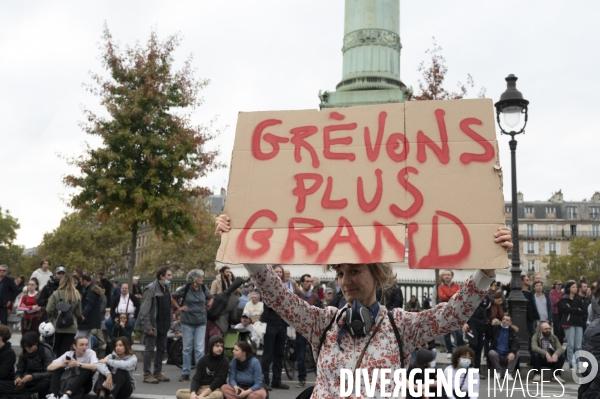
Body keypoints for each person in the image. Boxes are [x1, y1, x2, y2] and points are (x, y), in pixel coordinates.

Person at [215, 214, 513, 398]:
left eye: (355, 271)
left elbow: (453, 314)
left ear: (377, 273)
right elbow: (278, 296)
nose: (345, 281)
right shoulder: (323, 322)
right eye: (340, 273)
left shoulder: (400, 325)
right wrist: (241, 245)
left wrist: (487, 269)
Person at [172, 269, 214, 382]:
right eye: (201, 277)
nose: (203, 278)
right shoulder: (186, 288)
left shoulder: (204, 288)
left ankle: (200, 374)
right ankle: (185, 373)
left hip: (201, 322)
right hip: (187, 322)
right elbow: (173, 296)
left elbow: (211, 297)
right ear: (194, 279)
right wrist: (179, 308)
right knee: (187, 348)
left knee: (199, 349)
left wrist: (208, 305)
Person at [134, 265, 173, 384]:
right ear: (161, 276)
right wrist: (147, 326)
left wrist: (170, 321)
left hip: (163, 324)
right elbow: (144, 310)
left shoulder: (166, 288)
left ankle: (157, 372)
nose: (171, 278)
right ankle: (147, 374)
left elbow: (168, 306)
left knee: (161, 349)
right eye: (169, 275)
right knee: (149, 349)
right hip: (153, 325)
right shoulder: (151, 288)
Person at [257, 264, 289, 390]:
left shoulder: (286, 287)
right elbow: (270, 303)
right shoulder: (267, 286)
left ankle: (277, 380)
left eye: (280, 272)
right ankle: (264, 380)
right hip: (270, 323)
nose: (279, 273)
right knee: (268, 353)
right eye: (276, 271)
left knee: (280, 353)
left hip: (282, 324)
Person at [0, 331, 53, 399]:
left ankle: (25, 395)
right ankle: (29, 395)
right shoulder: (24, 354)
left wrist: (33, 376)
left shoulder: (45, 351)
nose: (27, 349)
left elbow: (50, 372)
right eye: (25, 347)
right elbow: (19, 370)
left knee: (46, 382)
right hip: (26, 382)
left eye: (29, 346)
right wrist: (17, 378)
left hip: (39, 380)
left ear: (35, 343)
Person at [295, 274, 323, 388]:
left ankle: (319, 380)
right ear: (301, 282)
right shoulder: (297, 295)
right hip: (301, 329)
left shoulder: (315, 297)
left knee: (316, 356)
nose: (309, 283)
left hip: (313, 330)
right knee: (300, 355)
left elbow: (321, 311)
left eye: (310, 281)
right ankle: (302, 378)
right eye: (306, 281)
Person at [46, 274, 83, 356]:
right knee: (65, 352)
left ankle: (54, 367)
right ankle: (63, 368)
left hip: (57, 326)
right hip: (71, 326)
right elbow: (79, 313)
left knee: (54, 350)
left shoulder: (56, 294)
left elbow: (49, 309)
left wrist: (57, 311)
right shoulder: (77, 295)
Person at [559, 281, 587, 370]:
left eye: (576, 287)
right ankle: (571, 363)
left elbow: (583, 311)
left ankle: (578, 363)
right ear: (568, 288)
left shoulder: (578, 299)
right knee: (570, 345)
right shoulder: (565, 299)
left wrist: (572, 309)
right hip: (569, 323)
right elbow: (565, 309)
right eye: (573, 287)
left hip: (578, 324)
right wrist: (576, 310)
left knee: (578, 345)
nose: (575, 289)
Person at [462, 294, 491, 379]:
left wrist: (487, 319)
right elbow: (463, 310)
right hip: (472, 323)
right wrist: (465, 322)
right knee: (473, 345)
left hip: (482, 324)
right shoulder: (470, 295)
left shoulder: (487, 297)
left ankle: (476, 371)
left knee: (479, 347)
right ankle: (467, 369)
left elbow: (489, 309)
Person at [437, 270, 464, 357]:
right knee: (446, 333)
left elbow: (458, 296)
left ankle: (460, 351)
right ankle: (449, 351)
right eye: (445, 275)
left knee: (459, 333)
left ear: (452, 276)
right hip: (445, 312)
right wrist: (452, 295)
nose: (446, 276)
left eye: (448, 275)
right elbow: (442, 297)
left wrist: (447, 295)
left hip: (456, 312)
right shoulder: (440, 287)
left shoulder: (457, 285)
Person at [487, 315, 520, 381]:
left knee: (517, 353)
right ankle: (498, 372)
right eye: (503, 319)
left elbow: (515, 344)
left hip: (507, 356)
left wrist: (512, 352)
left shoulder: (513, 332)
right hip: (497, 354)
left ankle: (509, 373)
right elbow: (488, 336)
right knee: (491, 352)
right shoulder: (496, 328)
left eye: (507, 320)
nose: (504, 321)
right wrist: (491, 326)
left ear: (510, 323)